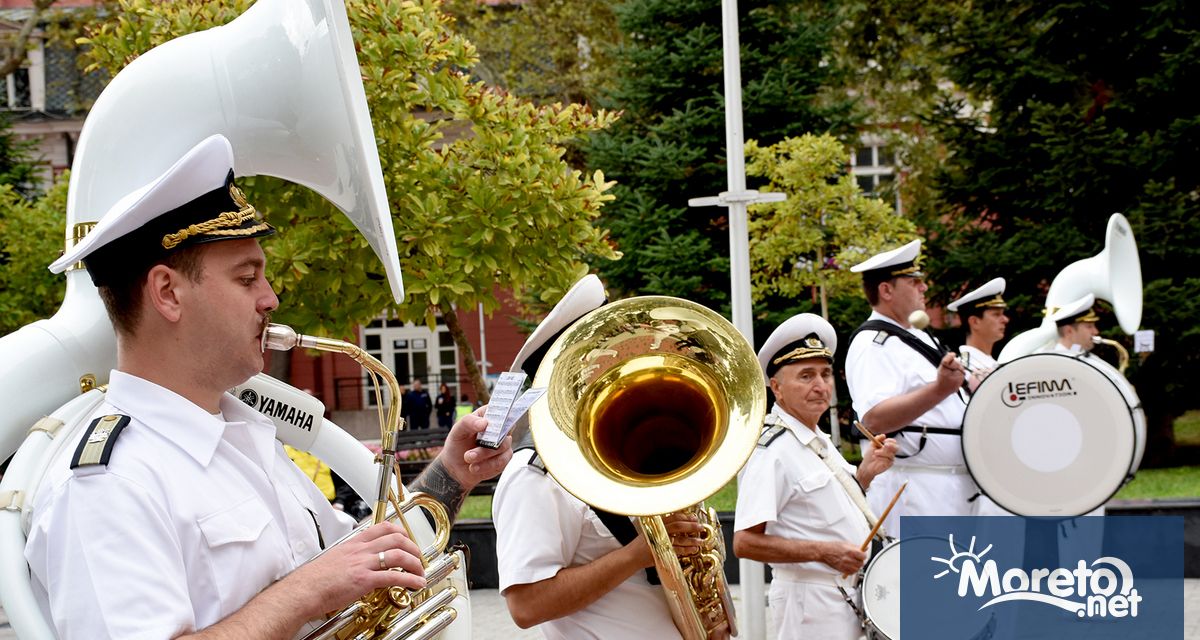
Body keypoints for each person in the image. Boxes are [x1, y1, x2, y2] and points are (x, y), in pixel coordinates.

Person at [24, 135, 511, 639]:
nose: (271, 298)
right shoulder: (106, 485)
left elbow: (360, 561)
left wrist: (453, 473)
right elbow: (321, 582)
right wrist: (306, 592)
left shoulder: (243, 434)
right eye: (246, 278)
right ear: (168, 293)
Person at [492, 275, 706, 639]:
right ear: (569, 375)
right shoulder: (535, 474)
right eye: (609, 352)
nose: (629, 357)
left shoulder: (623, 450)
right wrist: (641, 553)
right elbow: (526, 605)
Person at [733, 314, 898, 640]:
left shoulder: (816, 439)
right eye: (806, 376)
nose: (821, 386)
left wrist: (865, 474)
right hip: (808, 601)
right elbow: (744, 542)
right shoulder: (772, 450)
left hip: (842, 595)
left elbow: (821, 510)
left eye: (825, 374)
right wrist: (823, 552)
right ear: (776, 388)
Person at [844, 239, 972, 537]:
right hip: (916, 491)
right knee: (926, 569)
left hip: (949, 487)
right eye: (914, 281)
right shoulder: (872, 344)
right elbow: (874, 420)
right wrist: (939, 389)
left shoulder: (918, 337)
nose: (923, 288)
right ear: (886, 290)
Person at [946, 277, 1009, 374]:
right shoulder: (964, 370)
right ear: (974, 322)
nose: (1005, 320)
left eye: (1003, 314)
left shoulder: (990, 363)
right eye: (996, 314)